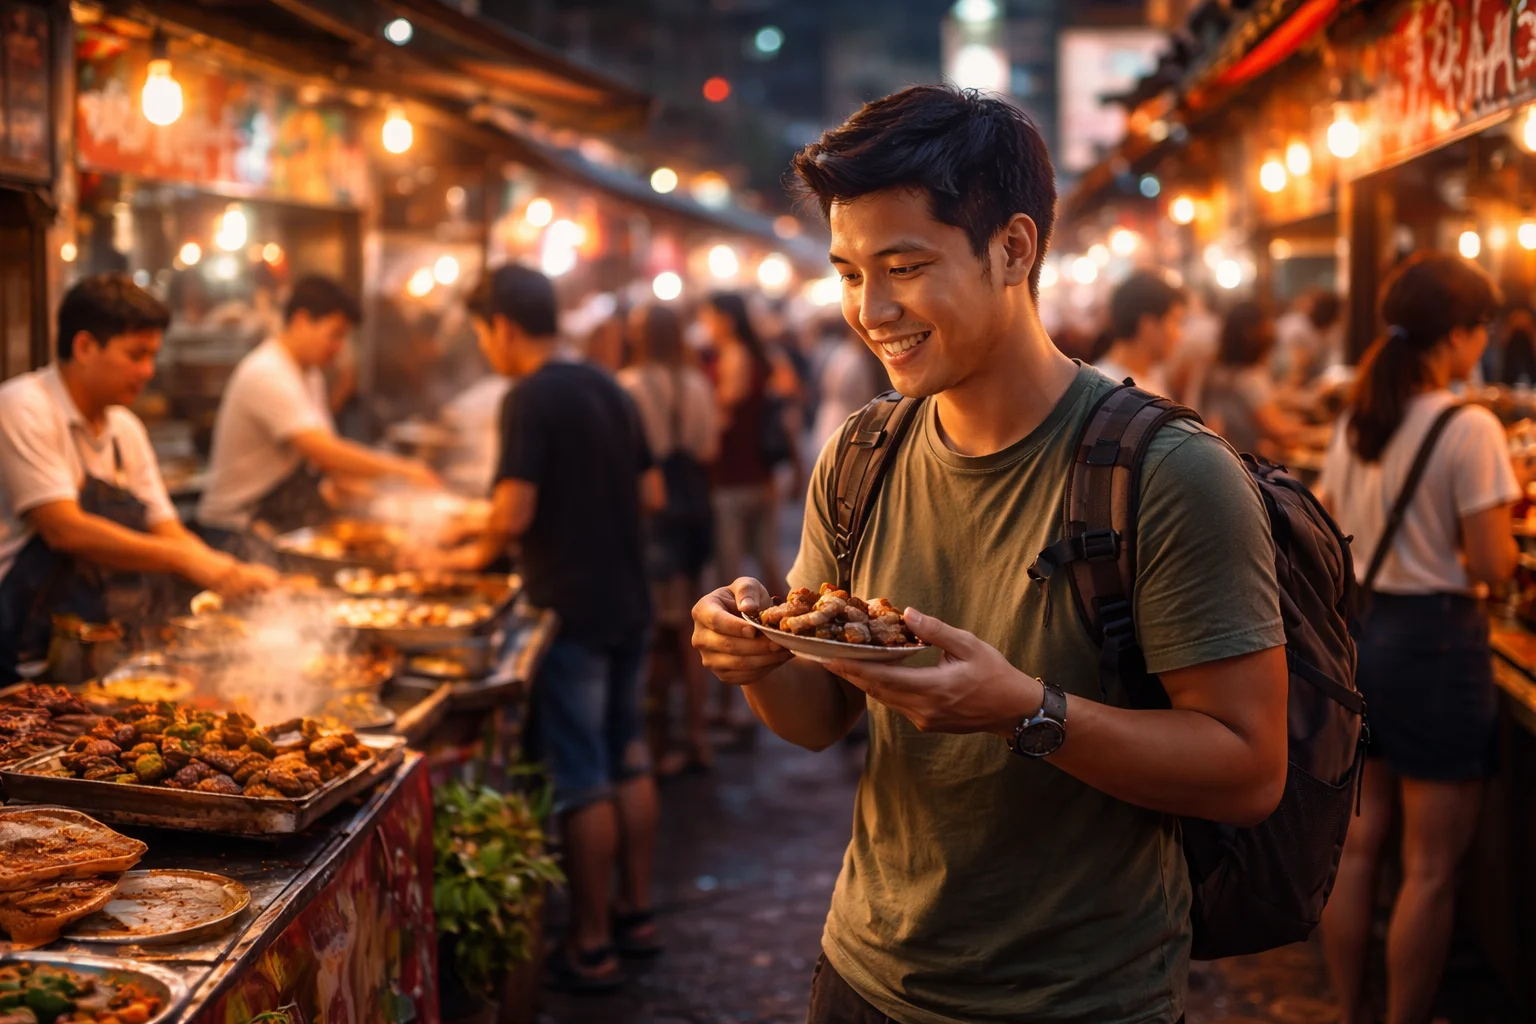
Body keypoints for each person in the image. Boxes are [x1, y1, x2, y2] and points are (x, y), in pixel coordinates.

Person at [693, 85, 1288, 1024]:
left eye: (905, 265)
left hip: (1086, 997)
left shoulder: (1169, 473)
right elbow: (816, 721)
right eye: (849, 272)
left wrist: (1026, 712)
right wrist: (755, 655)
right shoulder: (860, 454)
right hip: (863, 976)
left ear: (1014, 248)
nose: (871, 308)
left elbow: (1249, 771)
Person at [431, 264, 663, 992]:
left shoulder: (527, 396)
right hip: (630, 601)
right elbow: (651, 492)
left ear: (501, 325)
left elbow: (514, 514)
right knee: (628, 755)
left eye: (482, 335)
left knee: (580, 777)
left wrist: (465, 541)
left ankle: (589, 942)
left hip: (570, 612)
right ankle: (635, 913)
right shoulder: (605, 383)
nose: (486, 349)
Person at [1316, 253, 1528, 1024]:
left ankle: (1350, 1011)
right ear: (1464, 336)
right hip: (1439, 646)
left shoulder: (1357, 418)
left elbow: (1331, 530)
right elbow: (1490, 560)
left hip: (1366, 640)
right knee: (1431, 870)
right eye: (1483, 331)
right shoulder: (1469, 426)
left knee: (1359, 852)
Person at [0, 274, 277, 681]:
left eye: (152, 356)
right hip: (20, 651)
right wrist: (188, 561)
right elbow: (65, 529)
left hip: (96, 646)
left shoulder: (124, 429)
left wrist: (228, 571)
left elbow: (164, 526)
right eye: (136, 355)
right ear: (84, 347)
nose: (148, 371)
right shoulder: (23, 406)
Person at [195, 275, 439, 556]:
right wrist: (406, 470)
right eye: (335, 334)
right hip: (233, 531)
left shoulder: (310, 375)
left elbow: (329, 468)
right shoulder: (267, 371)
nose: (339, 347)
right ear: (301, 320)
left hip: (274, 524)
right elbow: (321, 450)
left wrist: (393, 501)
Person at [618, 303, 719, 774]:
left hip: (657, 513)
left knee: (662, 631)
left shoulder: (630, 385)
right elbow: (709, 447)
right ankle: (696, 733)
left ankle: (660, 743)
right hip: (696, 506)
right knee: (694, 631)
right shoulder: (697, 383)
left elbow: (629, 459)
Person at [700, 292, 789, 591]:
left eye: (709, 317)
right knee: (766, 559)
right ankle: (791, 624)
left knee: (732, 568)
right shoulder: (760, 351)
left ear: (726, 319)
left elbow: (723, 415)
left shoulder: (734, 355)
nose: (706, 324)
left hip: (734, 472)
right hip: (761, 471)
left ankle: (741, 629)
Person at [1200, 301, 1309, 458]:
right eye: (1265, 328)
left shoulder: (1216, 371)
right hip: (1244, 465)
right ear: (1250, 333)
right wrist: (1317, 432)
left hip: (1223, 460)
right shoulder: (1247, 378)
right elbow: (1278, 431)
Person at [1091, 270, 1186, 397]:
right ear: (1148, 326)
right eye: (1175, 322)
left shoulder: (1152, 377)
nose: (1179, 336)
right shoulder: (1108, 390)